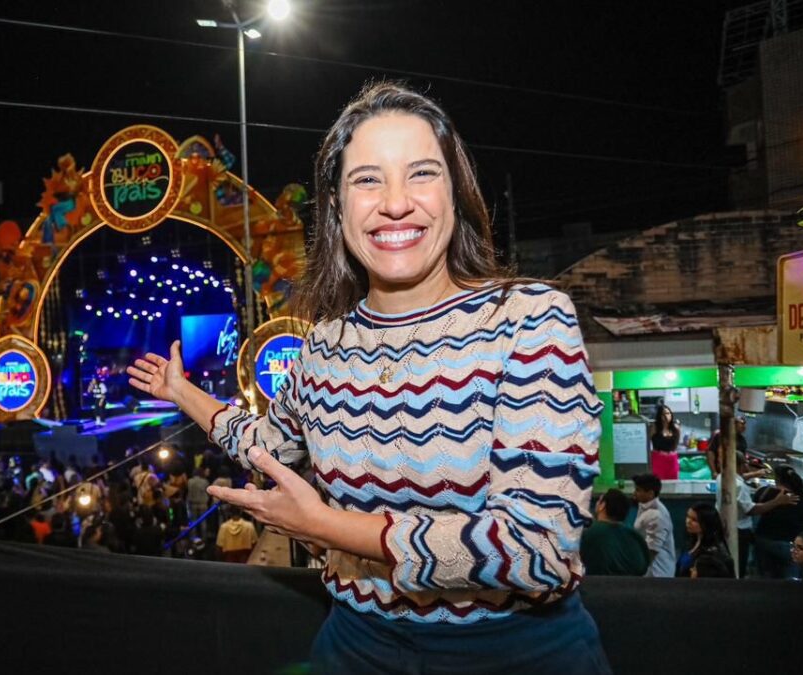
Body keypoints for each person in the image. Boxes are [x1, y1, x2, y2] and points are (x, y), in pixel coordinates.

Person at [127, 81, 610, 674]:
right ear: (336, 208)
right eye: (368, 179)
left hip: (516, 652)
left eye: (422, 174)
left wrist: (326, 526)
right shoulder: (323, 346)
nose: (396, 202)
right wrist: (181, 391)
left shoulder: (529, 320)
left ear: (456, 194)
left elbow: (537, 549)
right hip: (354, 646)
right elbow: (266, 445)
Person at [753, 466, 803, 579]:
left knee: (765, 579)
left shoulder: (764, 492)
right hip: (791, 545)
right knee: (791, 583)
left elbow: (752, 510)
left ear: (777, 479)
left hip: (765, 541)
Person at [580, 488, 650, 576]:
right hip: (632, 587)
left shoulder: (589, 534)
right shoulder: (636, 536)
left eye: (599, 501)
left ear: (602, 506)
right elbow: (643, 566)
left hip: (596, 587)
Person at [716, 452, 758, 576]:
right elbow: (750, 510)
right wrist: (776, 502)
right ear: (740, 465)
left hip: (724, 526)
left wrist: (755, 474)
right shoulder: (740, 486)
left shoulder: (721, 476)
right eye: (745, 462)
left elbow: (739, 478)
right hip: (739, 531)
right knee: (738, 566)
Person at [632, 473, 676, 578]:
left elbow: (652, 550)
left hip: (657, 573)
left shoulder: (657, 516)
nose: (634, 493)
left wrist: (636, 570)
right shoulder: (644, 506)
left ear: (650, 493)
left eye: (638, 490)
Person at [676, 503, 735, 578]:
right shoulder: (691, 543)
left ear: (706, 523)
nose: (688, 521)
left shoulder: (712, 554)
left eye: (694, 520)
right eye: (688, 516)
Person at [650, 404, 681, 480]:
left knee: (673, 483)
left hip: (672, 460)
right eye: (663, 414)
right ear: (659, 416)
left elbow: (676, 444)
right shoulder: (655, 427)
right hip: (658, 459)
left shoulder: (676, 428)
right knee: (658, 482)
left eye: (668, 413)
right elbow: (648, 442)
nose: (666, 416)